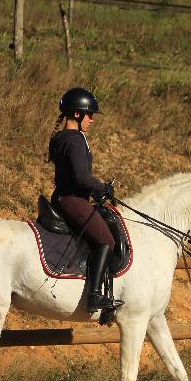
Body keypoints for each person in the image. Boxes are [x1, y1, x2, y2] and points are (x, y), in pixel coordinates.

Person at [47, 87, 117, 313]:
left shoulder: (62, 137)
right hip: (73, 200)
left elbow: (73, 176)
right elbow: (80, 177)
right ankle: (95, 296)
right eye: (90, 114)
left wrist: (96, 193)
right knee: (106, 240)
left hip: (64, 196)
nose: (92, 119)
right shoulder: (76, 139)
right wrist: (102, 187)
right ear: (77, 114)